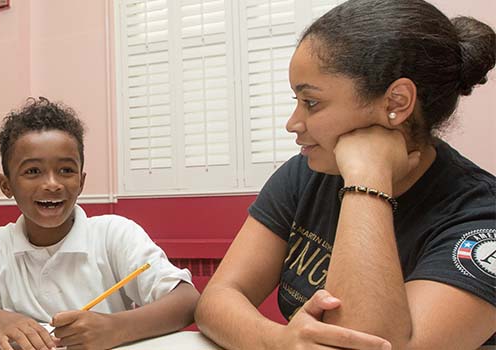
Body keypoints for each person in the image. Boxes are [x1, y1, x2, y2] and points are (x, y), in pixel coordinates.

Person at [194, 0, 496, 349]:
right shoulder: (306, 173)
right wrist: (277, 342)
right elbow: (216, 299)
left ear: (396, 102)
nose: (292, 124)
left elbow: (364, 345)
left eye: (311, 102)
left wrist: (367, 177)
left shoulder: (481, 218)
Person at [0, 97, 199, 350]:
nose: (52, 184)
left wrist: (117, 328)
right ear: (7, 186)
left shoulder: (114, 234)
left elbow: (187, 300)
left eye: (66, 170)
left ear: (81, 181)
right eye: (32, 171)